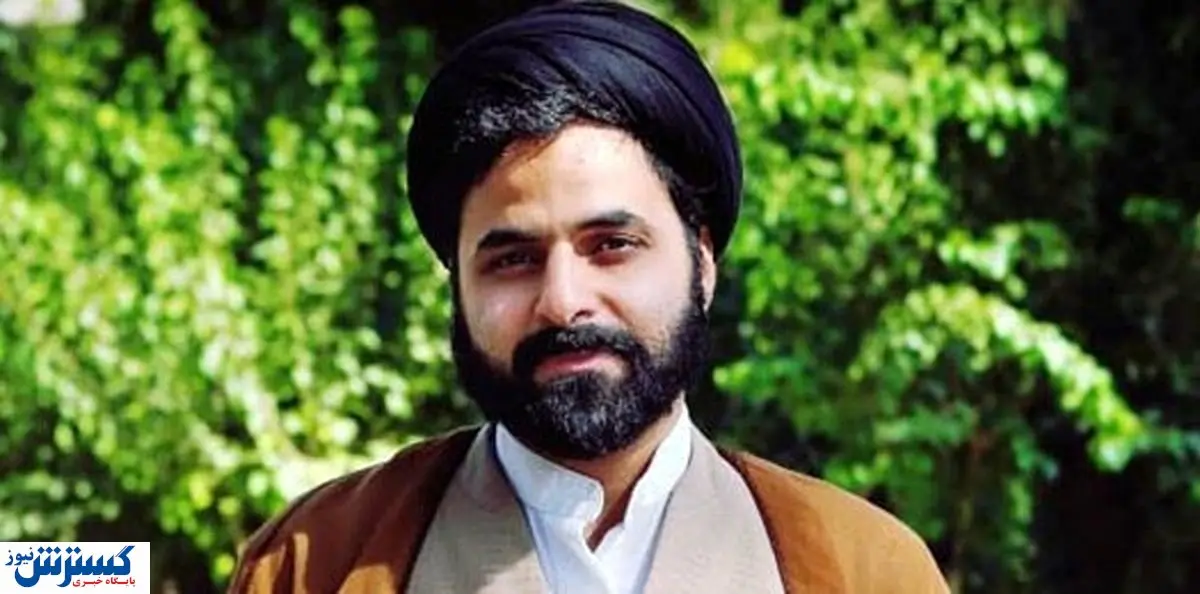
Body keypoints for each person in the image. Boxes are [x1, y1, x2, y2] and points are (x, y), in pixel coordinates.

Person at [227, 2, 950, 593]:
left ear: (702, 261)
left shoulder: (860, 568)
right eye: (513, 260)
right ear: (457, 284)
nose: (563, 301)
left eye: (612, 246)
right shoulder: (318, 562)